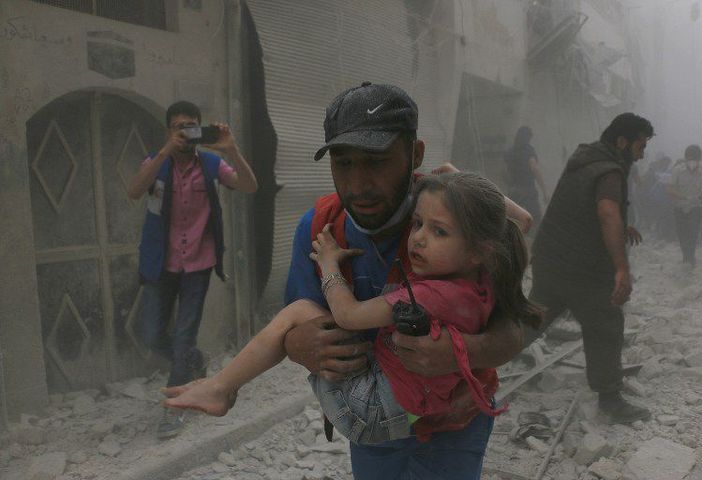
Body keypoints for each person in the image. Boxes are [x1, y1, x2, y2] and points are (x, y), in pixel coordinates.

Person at [164, 83, 530, 478]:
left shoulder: (456, 224)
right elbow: (296, 320)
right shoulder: (320, 228)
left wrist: (463, 351)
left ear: (416, 155)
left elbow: (517, 326)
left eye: (376, 161)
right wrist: (298, 343)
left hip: (455, 424)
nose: (358, 185)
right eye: (343, 163)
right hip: (376, 431)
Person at [162, 173, 542, 453]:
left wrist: (329, 264)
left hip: (370, 414)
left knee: (300, 311)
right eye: (418, 223)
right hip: (413, 409)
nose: (418, 239)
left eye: (439, 231)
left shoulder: (432, 294)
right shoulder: (483, 276)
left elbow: (348, 315)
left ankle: (222, 388)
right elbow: (520, 218)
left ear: (479, 248)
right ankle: (220, 387)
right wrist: (451, 183)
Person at [127, 100, 258, 439]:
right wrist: (164, 151)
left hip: (198, 265)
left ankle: (175, 409)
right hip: (161, 265)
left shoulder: (213, 165)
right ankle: (193, 362)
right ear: (169, 131)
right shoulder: (155, 164)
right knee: (151, 334)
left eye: (191, 126)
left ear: (200, 130)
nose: (185, 133)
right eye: (178, 127)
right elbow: (134, 190)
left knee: (184, 335)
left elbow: (249, 185)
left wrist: (232, 150)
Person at [526, 113, 654, 425]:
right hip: (581, 267)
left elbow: (584, 208)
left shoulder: (585, 160)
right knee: (606, 324)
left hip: (551, 257)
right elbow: (606, 212)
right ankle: (610, 398)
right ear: (622, 142)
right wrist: (622, 268)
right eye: (640, 145)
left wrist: (624, 227)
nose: (642, 154)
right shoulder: (610, 171)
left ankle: (469, 362)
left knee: (532, 319)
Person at [666, 144, 702, 267]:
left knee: (693, 231)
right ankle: (686, 255)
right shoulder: (677, 170)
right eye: (689, 159)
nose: (692, 162)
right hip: (680, 206)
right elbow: (670, 188)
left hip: (697, 206)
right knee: (682, 232)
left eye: (694, 159)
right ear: (686, 158)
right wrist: (683, 197)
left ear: (699, 159)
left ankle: (690, 257)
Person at [504, 126, 548, 228]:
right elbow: (535, 169)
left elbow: (504, 172)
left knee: (512, 221)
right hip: (528, 190)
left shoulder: (509, 152)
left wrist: (511, 184)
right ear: (527, 137)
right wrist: (544, 191)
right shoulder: (529, 150)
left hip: (514, 191)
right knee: (535, 221)